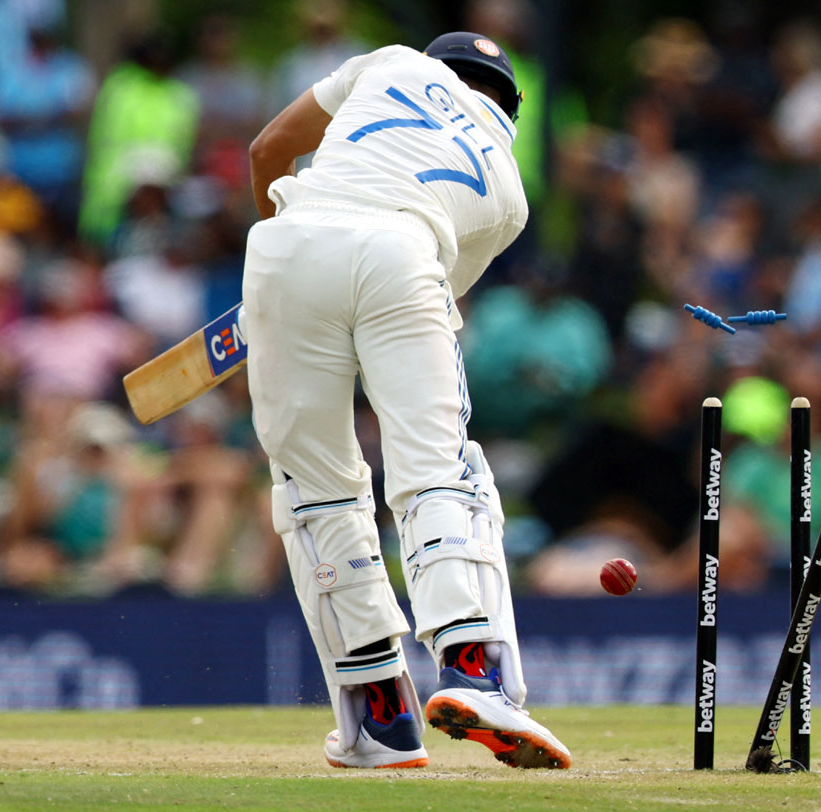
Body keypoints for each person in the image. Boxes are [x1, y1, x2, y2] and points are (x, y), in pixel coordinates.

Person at [241, 33, 570, 770]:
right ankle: (473, 671)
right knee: (435, 469)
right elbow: (425, 297)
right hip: (405, 253)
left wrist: (270, 274)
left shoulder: (392, 63)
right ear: (508, 105)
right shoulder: (509, 195)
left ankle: (379, 719)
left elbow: (269, 150)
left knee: (314, 491)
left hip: (286, 246)